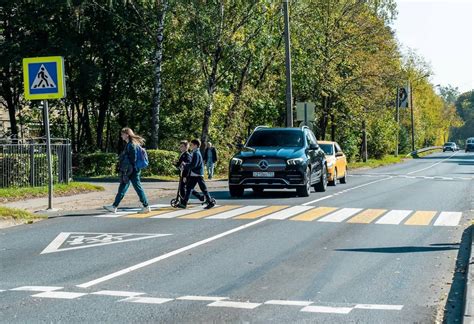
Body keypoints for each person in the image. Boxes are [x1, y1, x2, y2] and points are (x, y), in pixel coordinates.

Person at [103, 127, 150, 214]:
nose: (121, 136)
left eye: (122, 134)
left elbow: (133, 159)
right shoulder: (130, 144)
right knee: (123, 187)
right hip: (131, 170)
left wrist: (128, 170)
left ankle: (146, 206)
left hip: (132, 170)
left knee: (137, 188)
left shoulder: (131, 145)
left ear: (127, 134)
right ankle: (114, 206)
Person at [178, 139, 215, 209]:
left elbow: (194, 165)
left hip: (198, 174)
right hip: (194, 174)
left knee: (203, 189)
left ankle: (210, 202)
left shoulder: (196, 153)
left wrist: (185, 165)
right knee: (189, 188)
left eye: (191, 145)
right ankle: (184, 203)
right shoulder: (194, 152)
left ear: (195, 145)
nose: (190, 146)